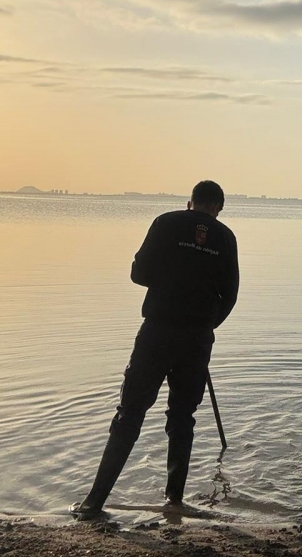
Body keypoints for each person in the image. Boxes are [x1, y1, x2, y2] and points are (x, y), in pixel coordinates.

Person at [73, 180, 239, 520]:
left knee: (130, 412)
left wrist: (170, 281)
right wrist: (207, 325)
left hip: (158, 331)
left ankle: (94, 502)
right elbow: (230, 294)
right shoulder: (225, 237)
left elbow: (138, 273)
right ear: (218, 208)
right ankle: (174, 500)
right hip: (196, 338)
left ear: (190, 202)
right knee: (182, 418)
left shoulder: (166, 222)